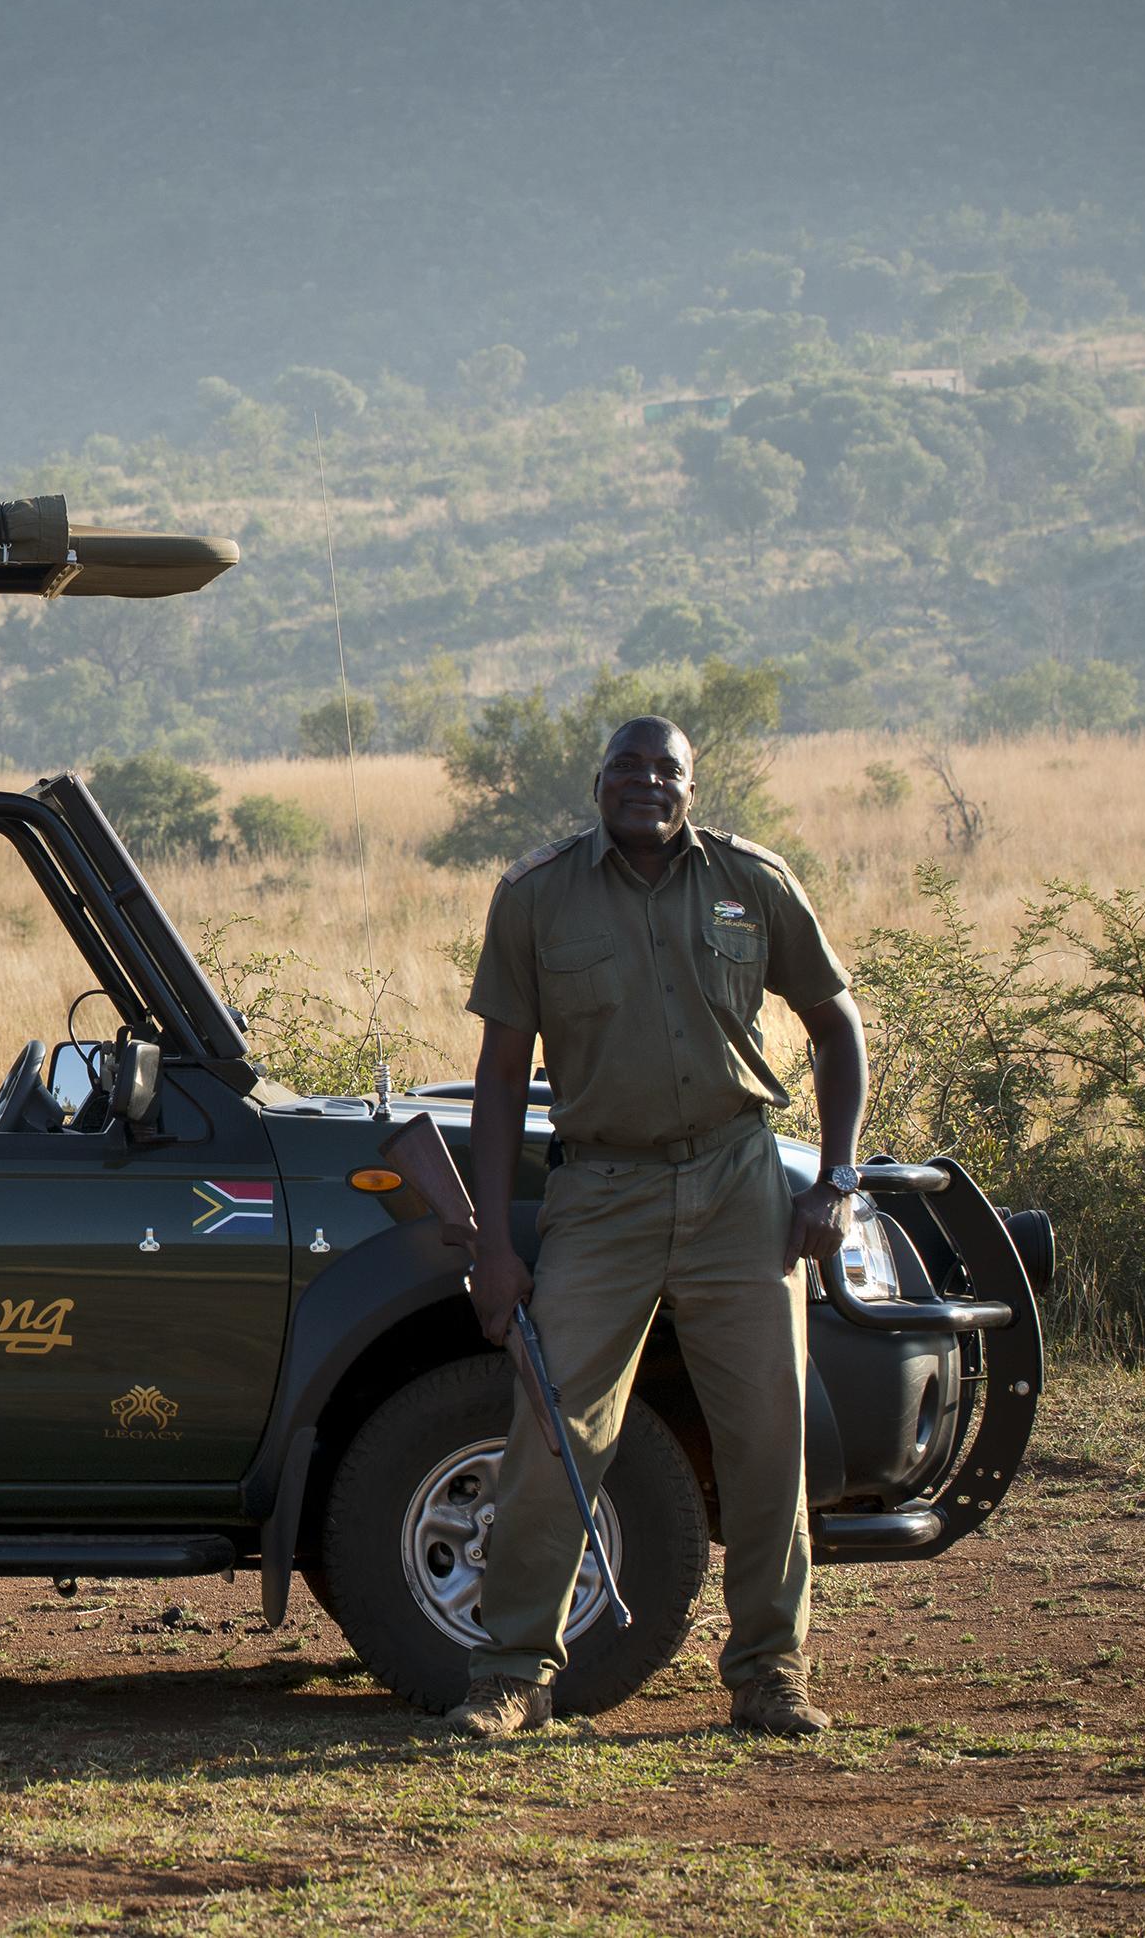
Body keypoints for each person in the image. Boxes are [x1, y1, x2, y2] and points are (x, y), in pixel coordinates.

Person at [444, 713, 865, 1742]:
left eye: (666, 768)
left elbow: (836, 1023)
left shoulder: (751, 880)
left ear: (692, 784)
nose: (646, 782)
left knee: (769, 1438)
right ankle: (511, 1676)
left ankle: (770, 1674)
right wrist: (494, 1244)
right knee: (554, 1431)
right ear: (597, 782)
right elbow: (501, 1080)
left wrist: (838, 1179)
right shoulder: (535, 893)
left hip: (738, 1186)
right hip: (601, 1192)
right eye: (627, 766)